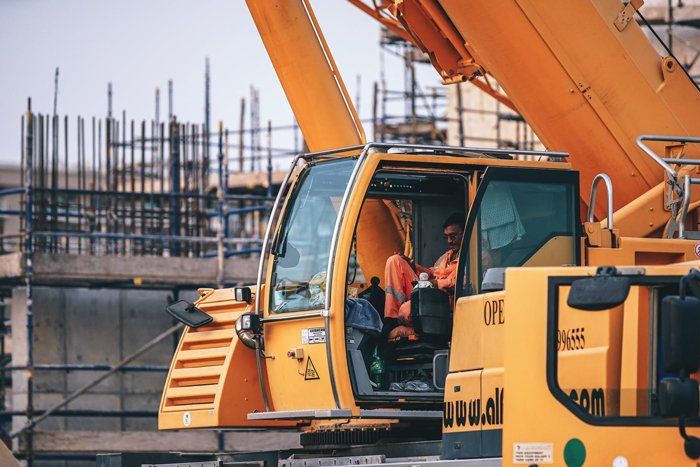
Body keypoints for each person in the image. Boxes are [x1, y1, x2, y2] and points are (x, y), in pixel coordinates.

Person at [383, 212, 464, 340]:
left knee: (407, 310)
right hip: (427, 292)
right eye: (446, 237)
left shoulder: (474, 255)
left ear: (464, 233)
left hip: (443, 301)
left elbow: (465, 281)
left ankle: (405, 317)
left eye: (453, 236)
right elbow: (432, 273)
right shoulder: (447, 256)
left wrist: (437, 284)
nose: (449, 241)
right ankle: (391, 319)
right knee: (394, 261)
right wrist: (412, 265)